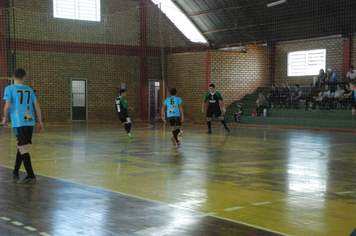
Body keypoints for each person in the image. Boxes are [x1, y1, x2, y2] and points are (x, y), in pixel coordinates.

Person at [2, 68, 44, 184]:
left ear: (12, 77)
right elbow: (37, 107)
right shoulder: (30, 90)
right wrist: (40, 122)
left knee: (22, 148)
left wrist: (5, 119)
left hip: (19, 122)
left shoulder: (9, 88)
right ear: (24, 78)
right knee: (20, 146)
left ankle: (31, 175)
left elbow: (7, 106)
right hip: (29, 121)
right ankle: (15, 172)